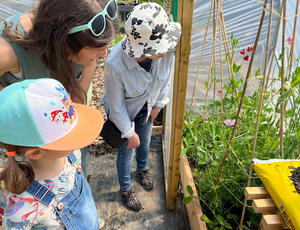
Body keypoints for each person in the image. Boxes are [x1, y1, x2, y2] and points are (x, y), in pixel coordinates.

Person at [0, 0, 119, 176]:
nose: (105, 54)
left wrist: (75, 135)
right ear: (65, 41)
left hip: (61, 122)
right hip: (31, 144)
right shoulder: (8, 52)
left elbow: (81, 92)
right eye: (99, 48)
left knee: (74, 173)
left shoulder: (86, 39)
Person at [102, 2, 181, 212]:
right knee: (127, 151)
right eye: (160, 49)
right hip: (124, 114)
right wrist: (129, 133)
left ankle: (143, 169)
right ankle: (126, 188)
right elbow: (117, 108)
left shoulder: (167, 51)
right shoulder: (115, 64)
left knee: (145, 143)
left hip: (147, 109)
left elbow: (165, 80)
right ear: (145, 51)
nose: (166, 50)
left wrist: (158, 105)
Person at [0, 78, 104, 229]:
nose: (79, 140)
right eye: (69, 137)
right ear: (35, 152)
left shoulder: (70, 153)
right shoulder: (21, 210)